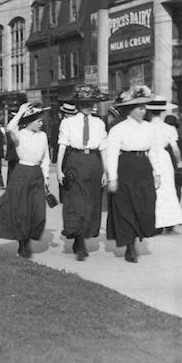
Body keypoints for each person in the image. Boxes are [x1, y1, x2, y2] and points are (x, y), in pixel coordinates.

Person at [0, 102, 51, 259]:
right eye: (38, 120)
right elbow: (10, 128)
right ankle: (23, 243)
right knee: (22, 211)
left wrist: (46, 178)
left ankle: (28, 237)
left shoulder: (43, 136)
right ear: (30, 121)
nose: (41, 123)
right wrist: (20, 112)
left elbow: (45, 159)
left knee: (38, 212)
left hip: (37, 174)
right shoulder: (19, 135)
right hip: (21, 173)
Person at [105, 86, 160, 263]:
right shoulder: (118, 129)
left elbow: (154, 151)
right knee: (126, 205)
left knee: (145, 203)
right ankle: (130, 245)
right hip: (126, 167)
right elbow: (111, 154)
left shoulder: (150, 128)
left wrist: (157, 173)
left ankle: (138, 235)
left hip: (143, 167)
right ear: (130, 109)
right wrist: (112, 178)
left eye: (145, 107)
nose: (143, 111)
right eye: (139, 107)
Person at [55, 84, 109, 261]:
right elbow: (62, 146)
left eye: (91, 102)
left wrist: (105, 171)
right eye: (84, 102)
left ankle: (83, 235)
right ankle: (78, 239)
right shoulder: (67, 123)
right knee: (76, 201)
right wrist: (59, 170)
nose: (88, 106)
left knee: (92, 201)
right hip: (75, 161)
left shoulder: (99, 123)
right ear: (77, 104)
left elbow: (103, 148)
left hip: (94, 162)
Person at [145, 97, 182, 233]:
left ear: (149, 112)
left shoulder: (146, 127)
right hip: (164, 158)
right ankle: (169, 221)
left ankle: (154, 221)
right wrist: (179, 162)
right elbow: (175, 149)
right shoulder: (169, 129)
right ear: (162, 112)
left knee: (153, 188)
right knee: (167, 188)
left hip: (149, 157)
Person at [164, 114, 182, 202]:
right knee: (177, 189)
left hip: (167, 165)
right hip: (178, 167)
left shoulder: (162, 135)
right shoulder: (177, 136)